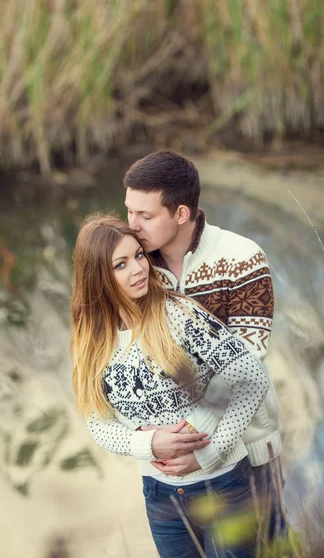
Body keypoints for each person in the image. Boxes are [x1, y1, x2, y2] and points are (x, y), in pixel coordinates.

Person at [71, 213, 270, 558]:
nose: (138, 269)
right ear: (98, 278)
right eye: (121, 264)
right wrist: (149, 443)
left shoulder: (178, 314)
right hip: (161, 498)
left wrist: (209, 451)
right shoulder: (90, 342)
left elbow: (252, 379)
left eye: (138, 256)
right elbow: (97, 422)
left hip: (222, 484)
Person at [123, 149, 287, 538]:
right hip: (170, 462)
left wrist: (203, 448)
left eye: (144, 216)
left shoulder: (242, 259)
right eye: (129, 211)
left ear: (181, 214)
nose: (131, 225)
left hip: (248, 445)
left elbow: (246, 367)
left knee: (271, 545)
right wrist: (163, 444)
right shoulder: (134, 265)